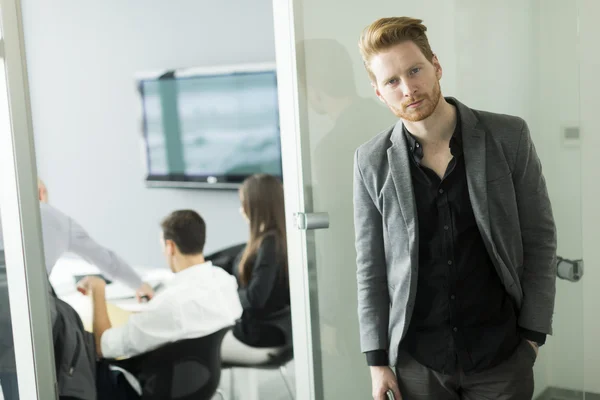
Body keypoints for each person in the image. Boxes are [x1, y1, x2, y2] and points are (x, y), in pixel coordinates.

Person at [353, 17, 557, 400]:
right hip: (418, 363)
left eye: (415, 70)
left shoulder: (508, 136)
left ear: (436, 66)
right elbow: (370, 267)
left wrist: (532, 335)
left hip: (502, 355)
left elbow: (539, 237)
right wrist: (377, 362)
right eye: (392, 81)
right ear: (379, 93)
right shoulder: (370, 160)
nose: (408, 88)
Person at [77, 209, 242, 398]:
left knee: (85, 365)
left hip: (149, 390)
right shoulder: (225, 282)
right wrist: (155, 310)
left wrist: (97, 291)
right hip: (201, 387)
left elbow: (102, 346)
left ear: (170, 246)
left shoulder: (170, 304)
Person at [221, 174, 290, 364]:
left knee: (198, 342)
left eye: (244, 204)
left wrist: (226, 291)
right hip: (278, 328)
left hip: (261, 335)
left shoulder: (270, 244)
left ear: (256, 207)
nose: (241, 210)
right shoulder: (278, 238)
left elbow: (255, 299)